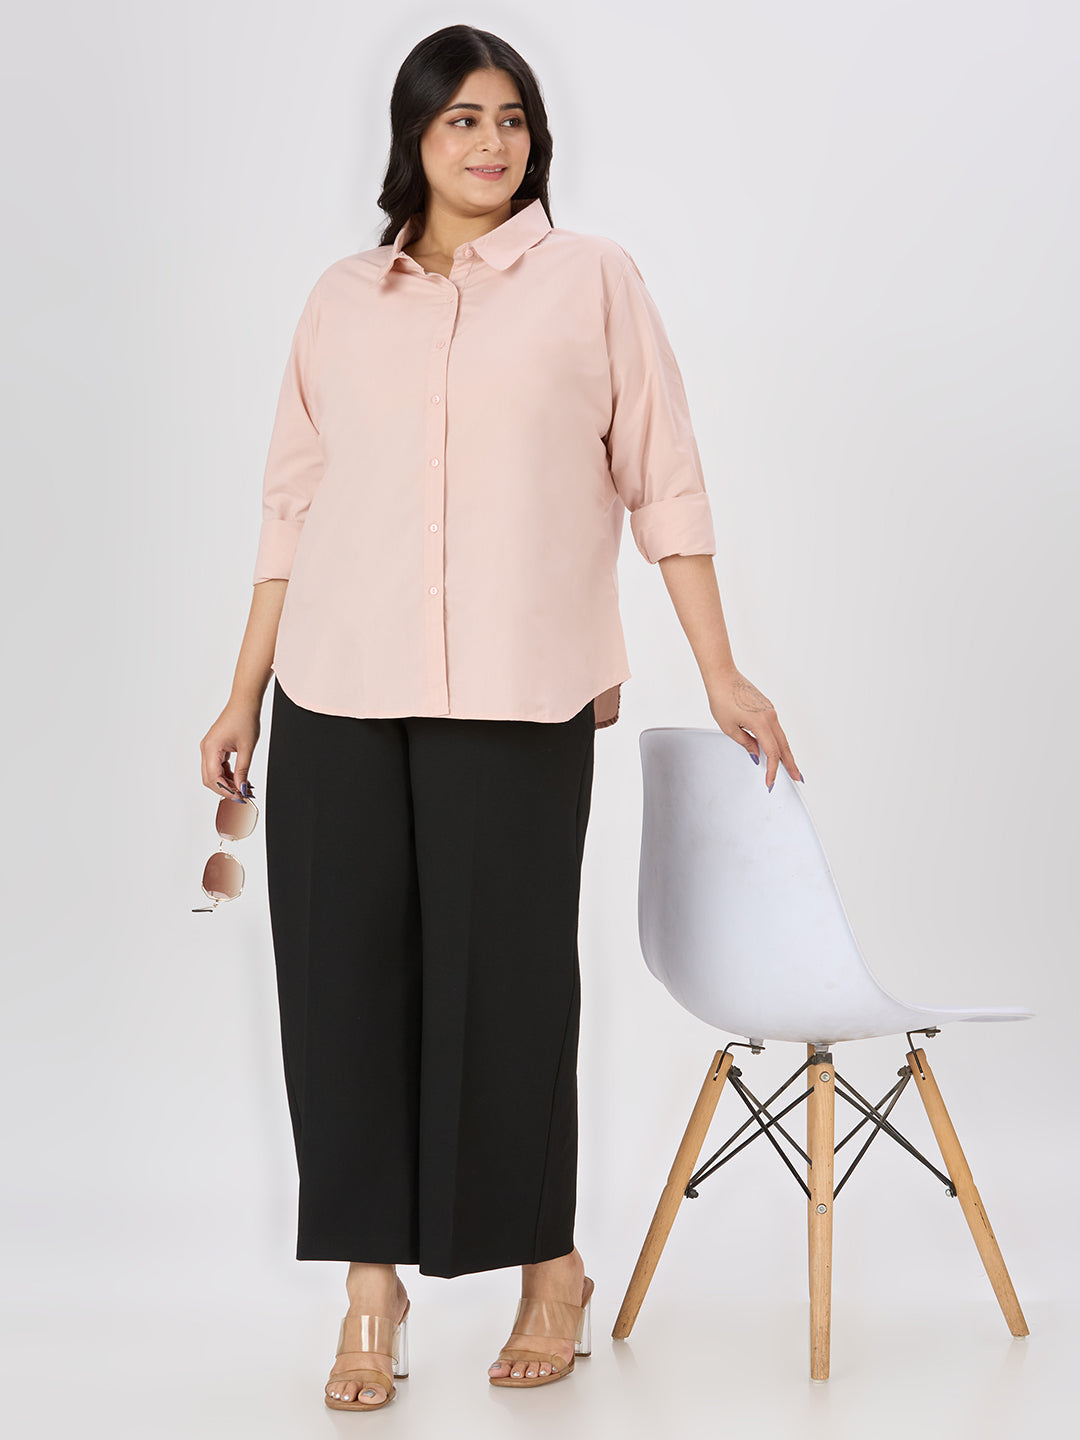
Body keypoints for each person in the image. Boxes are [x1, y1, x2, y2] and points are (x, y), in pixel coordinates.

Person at [197, 22, 802, 1413]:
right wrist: (242, 689)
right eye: (462, 118)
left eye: (512, 118)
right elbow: (291, 505)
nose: (490, 142)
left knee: (509, 987)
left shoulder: (593, 281)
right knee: (339, 987)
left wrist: (721, 670)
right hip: (336, 684)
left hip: (521, 689)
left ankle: (549, 1267)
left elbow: (664, 479)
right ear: (412, 137)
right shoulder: (341, 301)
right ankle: (371, 1289)